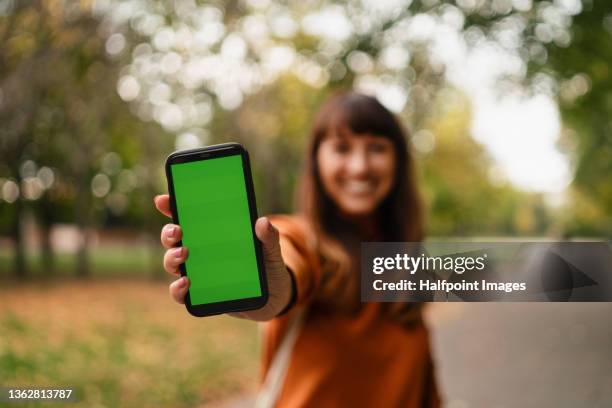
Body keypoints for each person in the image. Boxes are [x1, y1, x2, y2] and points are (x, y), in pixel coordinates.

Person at [154, 91, 441, 407]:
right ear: (316, 161)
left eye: (377, 148)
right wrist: (275, 287)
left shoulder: (409, 260)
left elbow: (425, 385)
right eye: (342, 148)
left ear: (399, 162)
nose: (360, 166)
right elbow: (291, 259)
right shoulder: (303, 238)